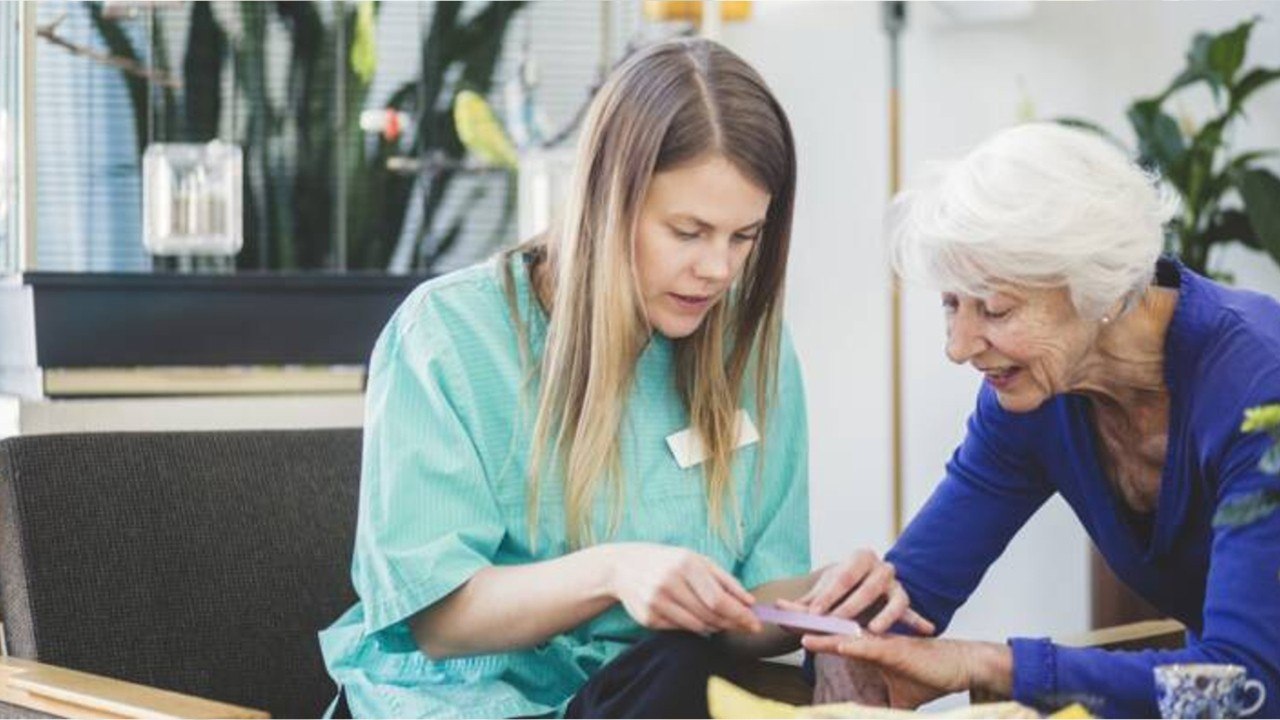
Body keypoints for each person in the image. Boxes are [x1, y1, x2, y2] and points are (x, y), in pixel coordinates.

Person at [318, 38, 821, 719]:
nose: (718, 270)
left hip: (647, 695)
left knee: (684, 668)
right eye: (688, 231)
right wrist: (614, 572)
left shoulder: (749, 347)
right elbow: (439, 620)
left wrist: (824, 604)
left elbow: (751, 613)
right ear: (607, 201)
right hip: (455, 702)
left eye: (744, 237)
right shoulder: (448, 335)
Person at [796, 122, 1280, 718]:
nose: (959, 345)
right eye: (952, 303)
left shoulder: (1261, 387)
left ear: (1096, 289)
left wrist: (989, 664)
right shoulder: (1030, 399)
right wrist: (853, 633)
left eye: (995, 309)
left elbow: (1247, 687)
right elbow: (911, 596)